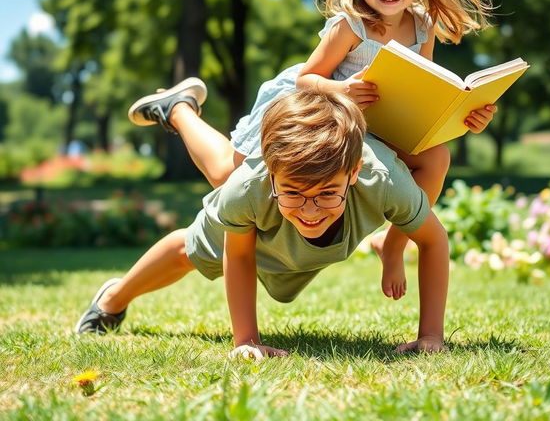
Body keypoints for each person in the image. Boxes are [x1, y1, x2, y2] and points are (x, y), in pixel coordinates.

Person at [129, 0, 498, 301]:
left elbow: (423, 89)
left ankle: (393, 245)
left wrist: (462, 115)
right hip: (316, 107)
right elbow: (308, 78)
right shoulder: (350, 24)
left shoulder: (422, 26)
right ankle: (179, 109)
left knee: (436, 159)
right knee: (226, 176)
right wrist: (341, 91)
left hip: (374, 122)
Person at [75, 90, 450, 357]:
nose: (310, 210)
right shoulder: (246, 188)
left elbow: (434, 241)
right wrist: (246, 341)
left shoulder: (383, 179)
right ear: (270, 172)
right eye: (295, 193)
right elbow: (237, 258)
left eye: (326, 193)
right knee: (190, 250)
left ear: (353, 173)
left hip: (298, 218)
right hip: (262, 213)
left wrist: (431, 335)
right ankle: (113, 298)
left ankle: (179, 108)